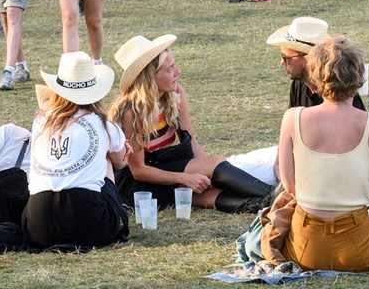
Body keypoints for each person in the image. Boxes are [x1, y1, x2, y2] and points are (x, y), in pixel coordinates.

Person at [276, 36, 369, 272]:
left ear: (314, 76)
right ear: (359, 76)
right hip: (358, 250)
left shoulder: (293, 118)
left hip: (304, 249)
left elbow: (289, 185)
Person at [109, 34, 275, 213]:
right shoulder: (131, 112)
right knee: (206, 177)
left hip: (165, 164)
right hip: (139, 183)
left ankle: (269, 203)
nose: (178, 72)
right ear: (150, 77)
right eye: (170, 69)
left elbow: (192, 142)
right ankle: (278, 197)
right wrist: (185, 178)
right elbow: (139, 170)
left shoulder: (175, 95)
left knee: (210, 187)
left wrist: (208, 174)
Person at [23, 52, 129, 251]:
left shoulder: (40, 121)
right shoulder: (103, 124)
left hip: (39, 224)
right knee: (105, 159)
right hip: (89, 224)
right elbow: (121, 162)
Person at [266, 17, 365, 110]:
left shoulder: (339, 91)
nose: (282, 62)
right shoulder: (299, 84)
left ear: (308, 58)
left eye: (286, 57)